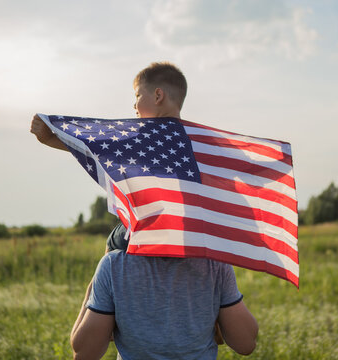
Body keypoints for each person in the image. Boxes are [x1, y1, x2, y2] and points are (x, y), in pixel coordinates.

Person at [31, 62, 258, 359]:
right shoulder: (201, 144)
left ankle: (107, 310)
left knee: (112, 256)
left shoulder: (141, 138)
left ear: (158, 95)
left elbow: (92, 148)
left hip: (141, 234)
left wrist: (48, 132)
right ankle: (210, 320)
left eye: (138, 97)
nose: (135, 106)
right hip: (193, 237)